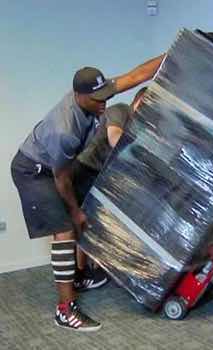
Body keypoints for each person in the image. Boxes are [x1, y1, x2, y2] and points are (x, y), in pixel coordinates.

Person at [10, 56, 163, 332]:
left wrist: (177, 50)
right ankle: (65, 311)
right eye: (97, 100)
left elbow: (137, 74)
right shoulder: (64, 129)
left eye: (106, 95)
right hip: (34, 171)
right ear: (79, 96)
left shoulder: (95, 94)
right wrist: (74, 210)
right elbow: (62, 177)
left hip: (55, 170)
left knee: (86, 215)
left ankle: (78, 277)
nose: (103, 103)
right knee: (66, 229)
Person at [72, 87, 147, 290]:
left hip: (98, 172)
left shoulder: (137, 125)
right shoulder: (121, 111)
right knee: (84, 220)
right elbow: (114, 139)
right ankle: (80, 274)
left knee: (95, 220)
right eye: (148, 104)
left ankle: (92, 267)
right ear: (139, 100)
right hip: (83, 167)